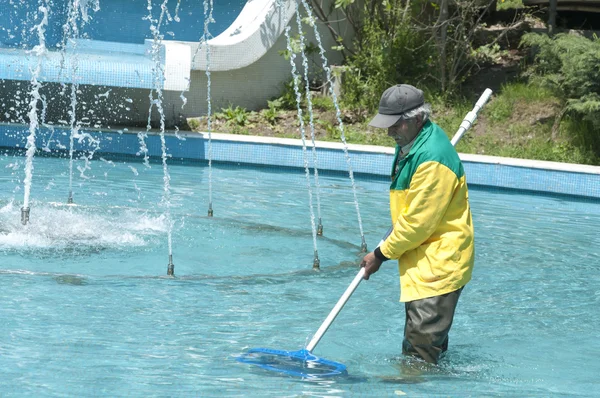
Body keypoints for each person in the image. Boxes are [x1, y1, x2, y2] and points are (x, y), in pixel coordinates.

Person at [360, 84, 475, 365]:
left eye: (395, 124)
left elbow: (417, 225)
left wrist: (380, 255)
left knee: (417, 361)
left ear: (418, 118)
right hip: (423, 261)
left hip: (438, 266)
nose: (389, 132)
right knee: (429, 353)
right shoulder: (413, 145)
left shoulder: (432, 159)